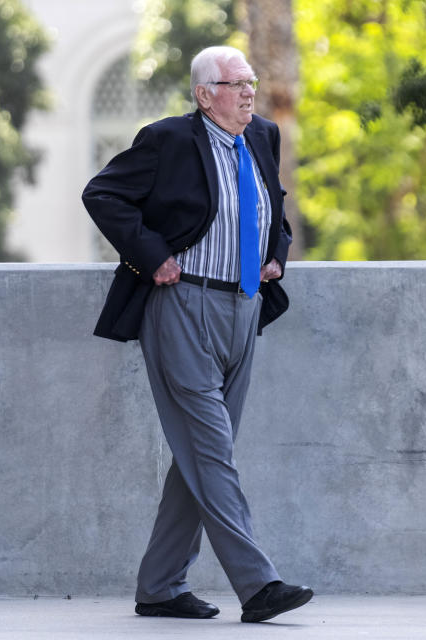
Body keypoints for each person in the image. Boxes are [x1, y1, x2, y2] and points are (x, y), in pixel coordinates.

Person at [82, 46, 313, 623]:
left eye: (251, 81)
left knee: (204, 455)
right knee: (211, 451)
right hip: (183, 307)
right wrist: (150, 255)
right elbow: (101, 194)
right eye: (236, 84)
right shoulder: (168, 140)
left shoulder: (262, 136)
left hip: (244, 309)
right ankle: (259, 585)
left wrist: (275, 255)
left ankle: (160, 586)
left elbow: (272, 209)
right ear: (204, 94)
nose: (249, 92)